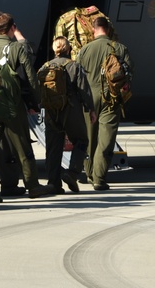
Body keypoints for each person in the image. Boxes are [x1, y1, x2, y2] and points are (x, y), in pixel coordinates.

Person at [0, 13, 53, 202]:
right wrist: (36, 101)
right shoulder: (17, 48)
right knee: (23, 146)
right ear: (13, 28)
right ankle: (33, 185)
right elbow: (30, 77)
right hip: (13, 104)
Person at [77, 15, 133, 191]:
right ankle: (99, 178)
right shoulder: (120, 48)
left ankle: (89, 173)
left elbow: (78, 77)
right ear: (108, 30)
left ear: (93, 30)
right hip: (111, 99)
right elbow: (128, 76)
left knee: (90, 138)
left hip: (88, 98)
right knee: (106, 139)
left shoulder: (84, 50)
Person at [38, 36, 94, 193]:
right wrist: (91, 109)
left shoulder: (44, 67)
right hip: (71, 110)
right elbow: (84, 90)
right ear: (68, 49)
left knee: (53, 147)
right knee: (82, 140)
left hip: (51, 111)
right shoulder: (74, 66)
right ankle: (72, 172)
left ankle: (54, 183)